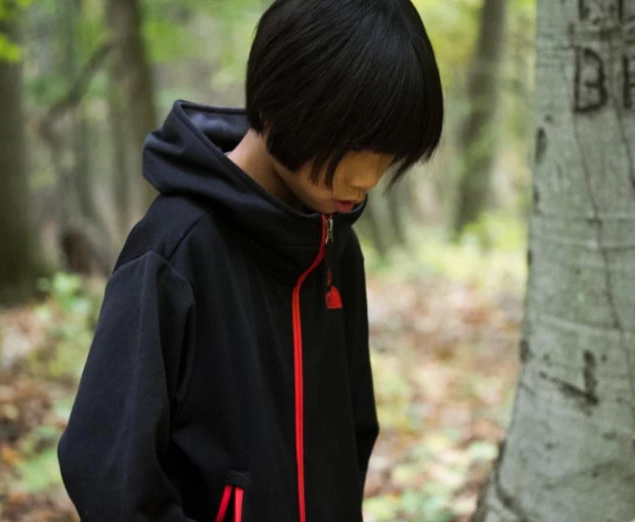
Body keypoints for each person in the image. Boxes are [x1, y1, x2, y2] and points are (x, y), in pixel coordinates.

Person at [56, 0, 443, 520]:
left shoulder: (336, 248)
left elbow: (353, 432)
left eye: (389, 156)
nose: (368, 178)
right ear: (285, 105)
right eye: (357, 147)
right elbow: (110, 469)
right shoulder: (176, 247)